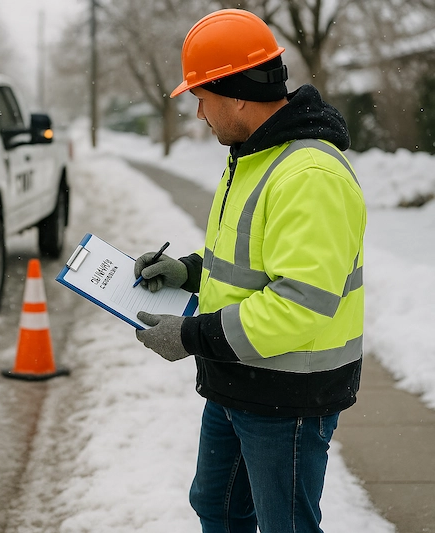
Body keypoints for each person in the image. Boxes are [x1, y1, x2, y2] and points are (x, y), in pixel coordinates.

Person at [133, 8, 365, 533]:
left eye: (201, 98)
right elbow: (242, 262)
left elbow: (299, 302)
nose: (198, 114)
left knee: (285, 525)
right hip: (238, 379)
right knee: (216, 507)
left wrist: (191, 335)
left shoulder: (309, 175)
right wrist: (184, 271)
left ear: (236, 93)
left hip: (287, 395)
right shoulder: (254, 155)